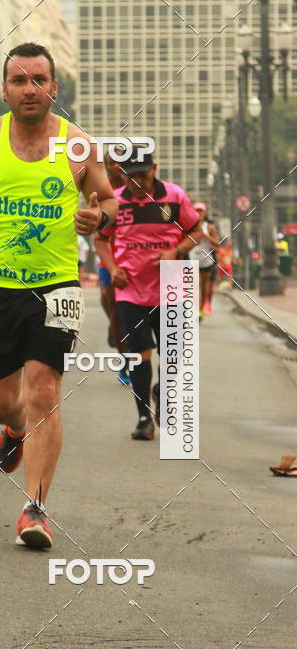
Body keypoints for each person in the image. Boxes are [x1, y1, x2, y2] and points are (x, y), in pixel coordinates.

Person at [0, 42, 117, 549]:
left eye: (39, 80)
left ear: (54, 87)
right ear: (5, 89)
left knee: (44, 394)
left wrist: (97, 216)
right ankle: (15, 431)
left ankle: (35, 509)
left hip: (57, 285)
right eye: (20, 80)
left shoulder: (77, 145)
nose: (30, 89)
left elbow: (109, 200)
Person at [96, 150, 201, 440]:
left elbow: (195, 232)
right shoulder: (115, 201)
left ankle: (161, 391)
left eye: (143, 174)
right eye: (131, 176)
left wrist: (175, 251)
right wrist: (112, 266)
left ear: (154, 168)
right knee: (140, 356)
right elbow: (101, 239)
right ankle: (144, 418)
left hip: (171, 288)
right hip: (131, 290)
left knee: (173, 356)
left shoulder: (175, 196)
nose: (137, 181)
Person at [96, 152, 131, 385]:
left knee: (127, 312)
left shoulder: (136, 188)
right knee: (114, 313)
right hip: (107, 260)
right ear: (105, 166)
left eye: (121, 162)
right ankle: (125, 360)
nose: (116, 166)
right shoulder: (100, 191)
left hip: (131, 261)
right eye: (111, 163)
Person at [188, 201, 220, 319]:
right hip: (192, 259)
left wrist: (205, 236)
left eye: (201, 211)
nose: (198, 213)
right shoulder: (189, 226)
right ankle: (193, 309)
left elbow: (217, 243)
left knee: (204, 286)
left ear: (205, 213)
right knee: (192, 286)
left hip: (206, 260)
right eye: (196, 210)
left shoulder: (209, 227)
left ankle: (201, 309)